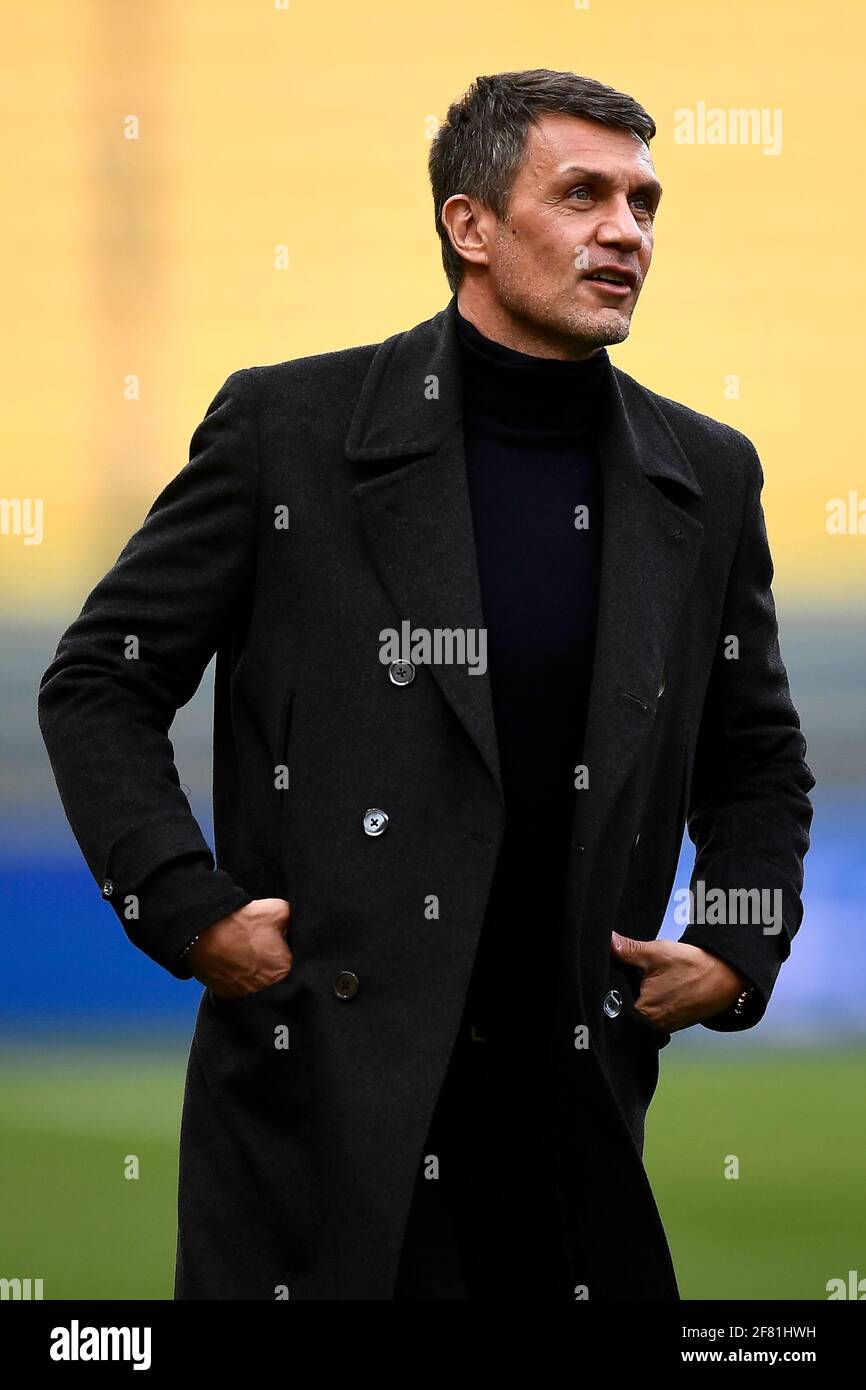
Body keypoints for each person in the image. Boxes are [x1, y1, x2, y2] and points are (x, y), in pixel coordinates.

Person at [38, 69, 814, 1301]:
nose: (625, 230)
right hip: (317, 1097)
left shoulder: (706, 475)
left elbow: (756, 760)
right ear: (470, 226)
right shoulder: (286, 429)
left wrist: (734, 939)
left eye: (643, 202)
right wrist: (186, 904)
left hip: (574, 1108)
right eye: (582, 195)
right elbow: (98, 681)